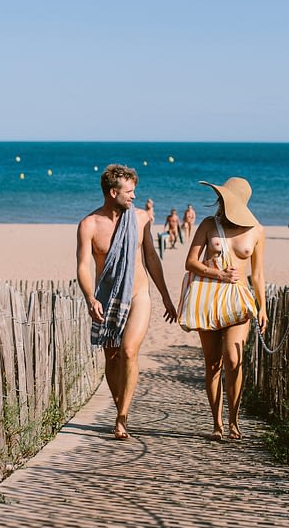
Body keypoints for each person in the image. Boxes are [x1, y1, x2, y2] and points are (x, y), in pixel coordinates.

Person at [77, 164, 177, 439]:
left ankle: (122, 417)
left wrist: (166, 297)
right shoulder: (89, 225)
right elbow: (84, 266)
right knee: (112, 356)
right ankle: (120, 402)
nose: (134, 196)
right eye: (129, 192)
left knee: (129, 351)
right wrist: (89, 297)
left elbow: (151, 258)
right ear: (113, 192)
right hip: (107, 297)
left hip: (139, 295)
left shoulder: (142, 218)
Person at [185, 177, 267, 441]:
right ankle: (217, 424)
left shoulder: (257, 230)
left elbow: (258, 273)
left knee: (234, 359)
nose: (222, 203)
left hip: (239, 301)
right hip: (208, 299)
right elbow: (190, 262)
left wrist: (262, 307)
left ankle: (234, 420)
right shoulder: (209, 224)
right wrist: (217, 274)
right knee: (213, 364)